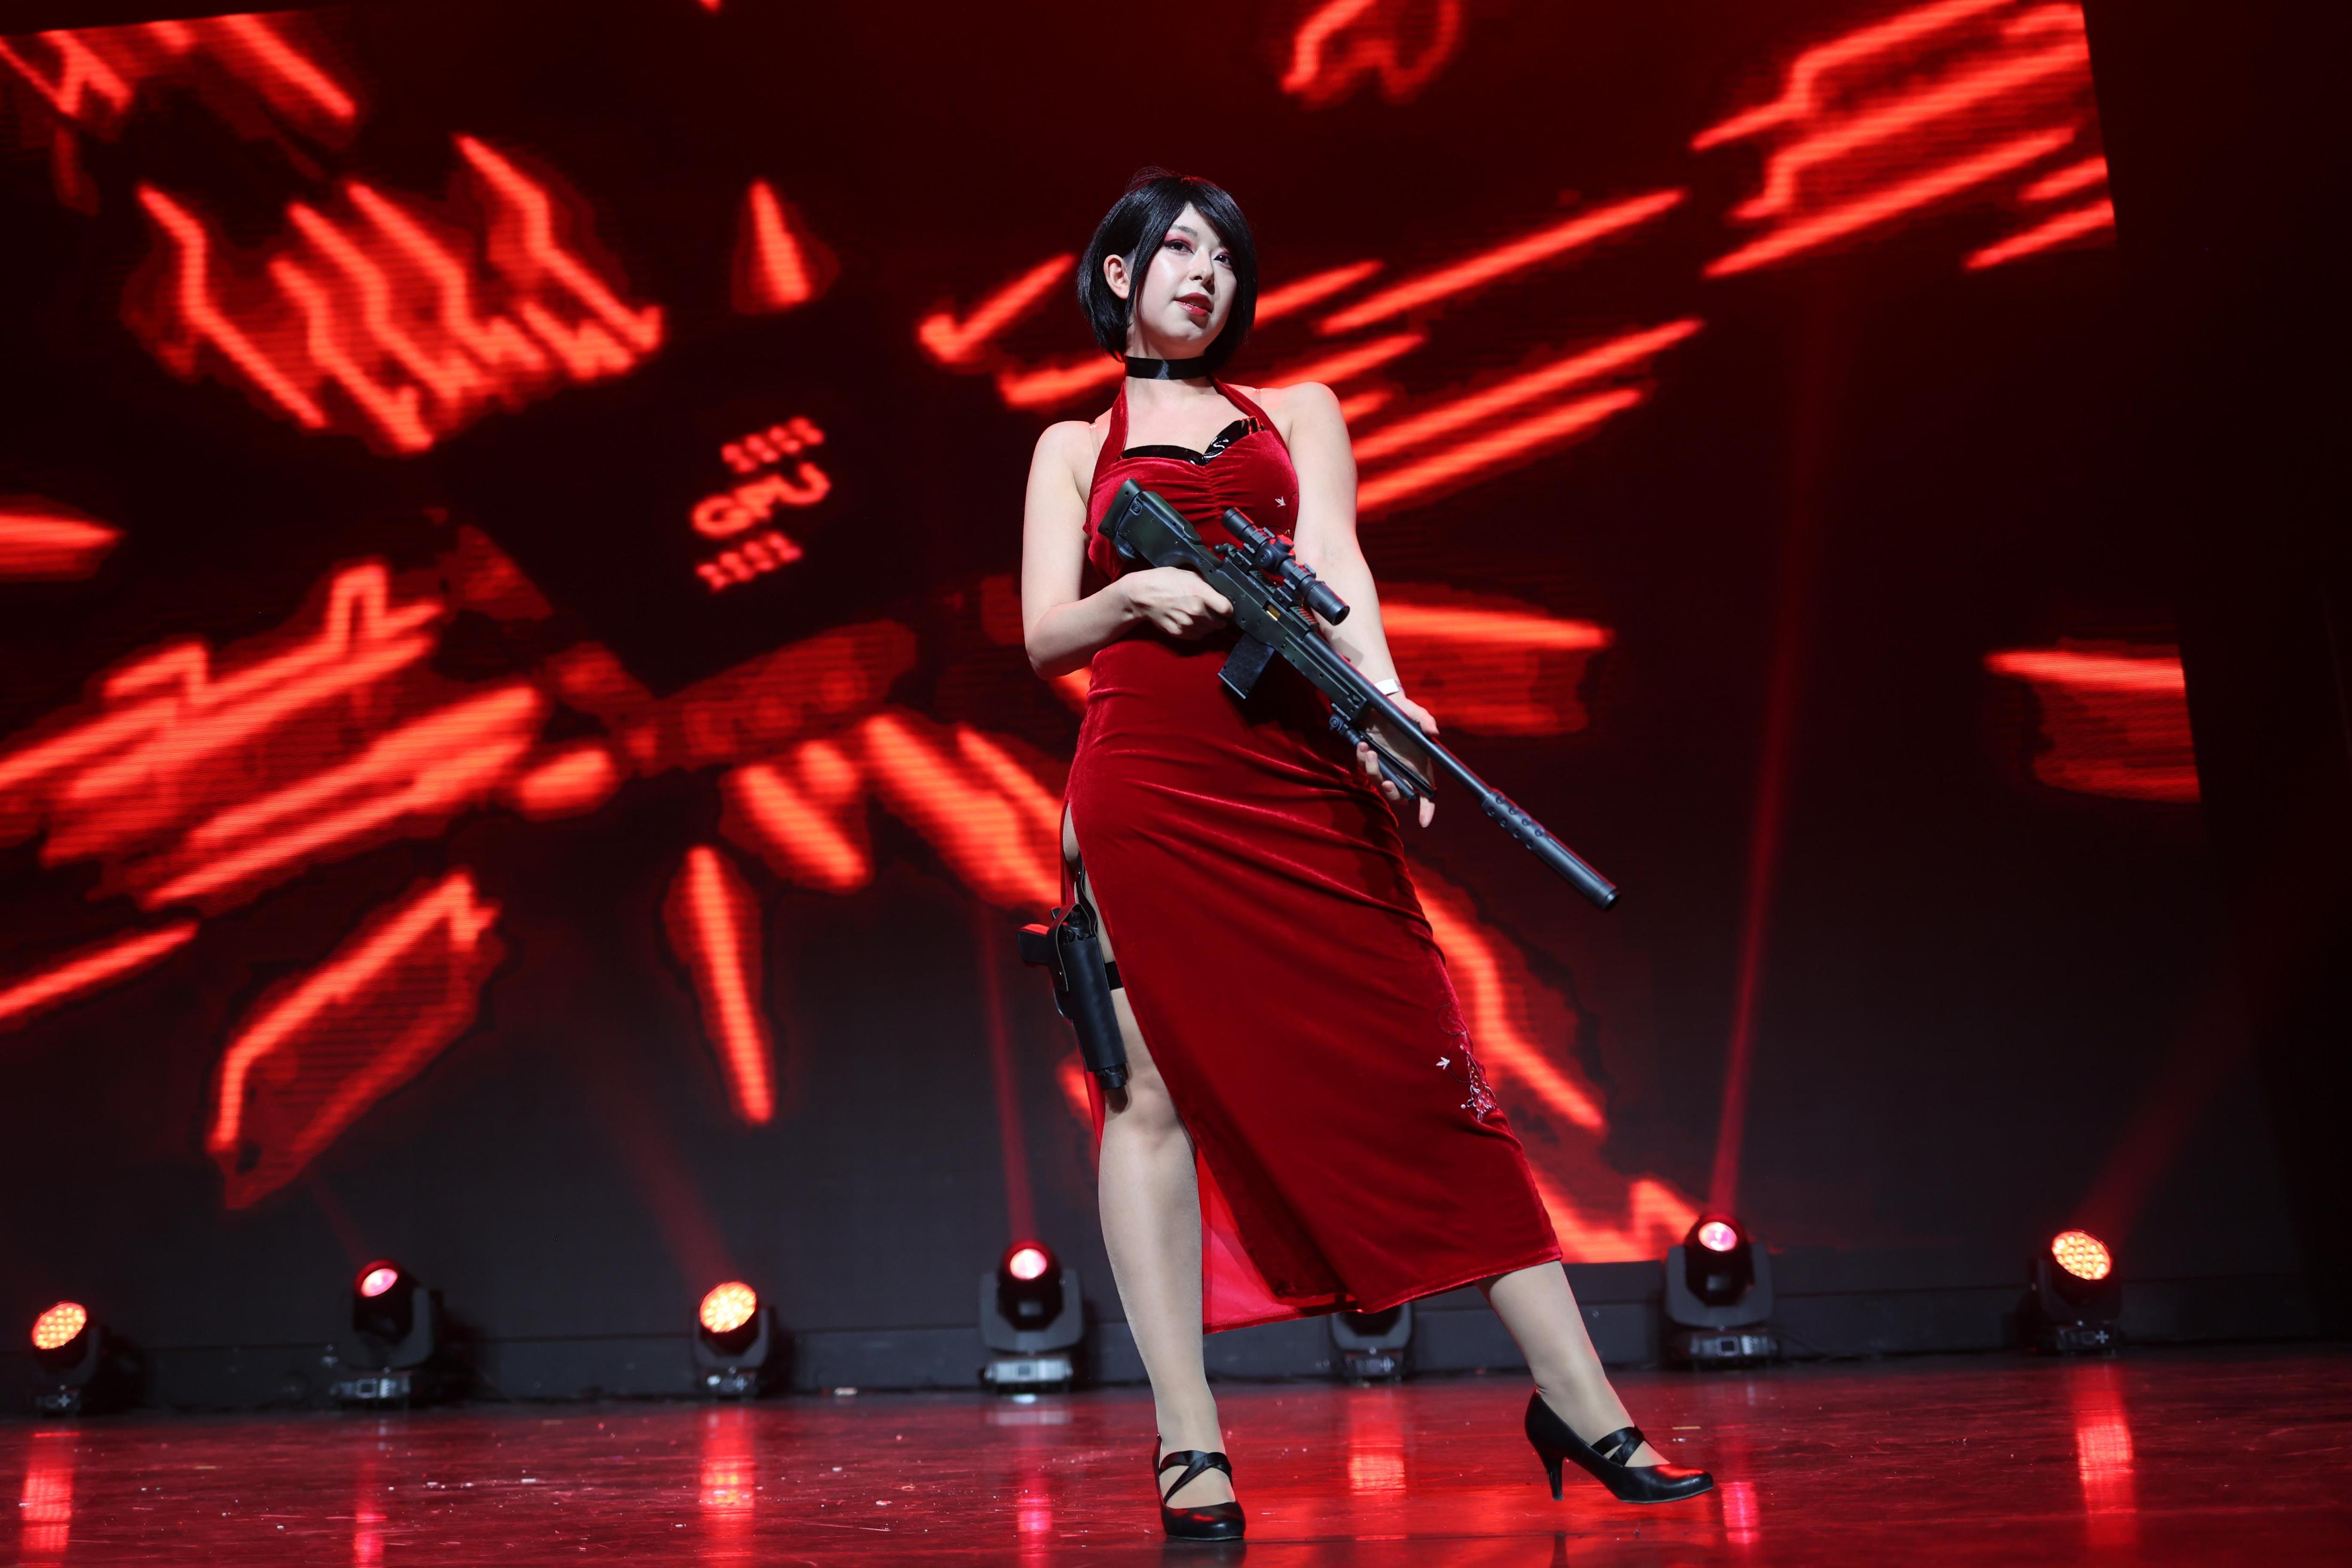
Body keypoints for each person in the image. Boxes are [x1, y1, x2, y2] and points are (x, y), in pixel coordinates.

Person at [1018, 169, 1712, 1542]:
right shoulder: (1070, 447)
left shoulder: (1302, 413)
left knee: (1436, 1072)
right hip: (1147, 786)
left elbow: (1339, 561)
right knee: (1146, 1099)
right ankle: (1188, 1443)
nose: (1206, 274)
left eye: (1226, 256)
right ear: (1119, 275)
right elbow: (1045, 633)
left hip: (1299, 770)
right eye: (1179, 250)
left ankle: (1580, 1399)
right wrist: (1135, 592)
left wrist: (1390, 712)